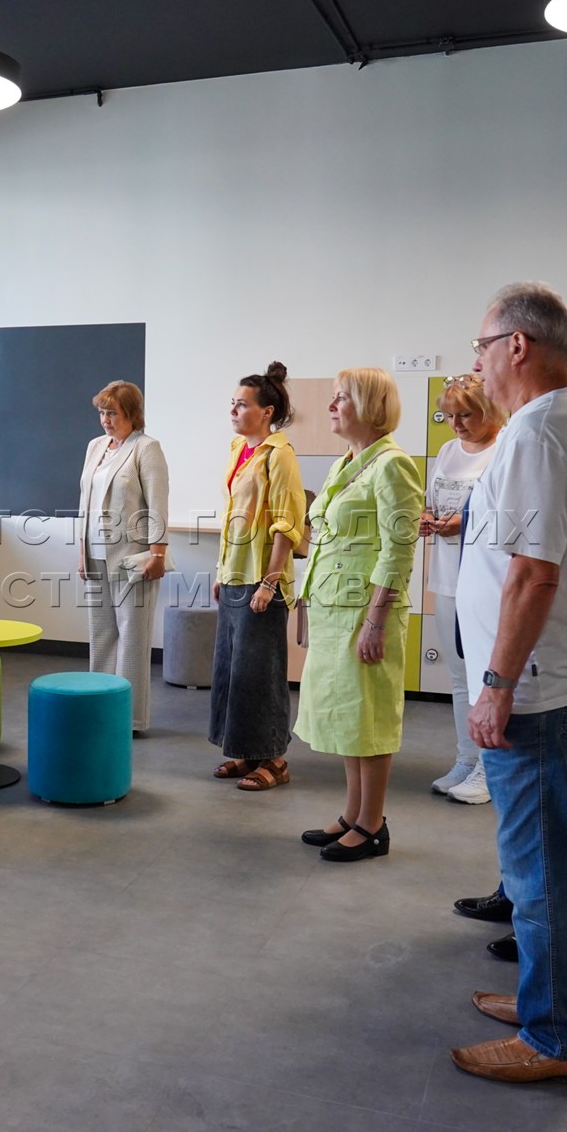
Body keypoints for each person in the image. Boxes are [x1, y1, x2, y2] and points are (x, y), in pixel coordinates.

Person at [449, 284, 567, 1085]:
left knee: (541, 877)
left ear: (516, 346)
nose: (478, 364)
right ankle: (559, 1003)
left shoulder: (539, 433)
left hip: (541, 692)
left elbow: (532, 575)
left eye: (481, 347)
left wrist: (496, 684)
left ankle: (557, 1038)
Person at [294, 368, 423, 860]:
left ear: (370, 406)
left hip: (366, 613)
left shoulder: (393, 465)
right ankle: (353, 814)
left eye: (341, 398)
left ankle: (372, 825)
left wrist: (376, 621)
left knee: (369, 716)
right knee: (349, 716)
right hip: (335, 609)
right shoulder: (347, 463)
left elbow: (398, 550)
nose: (331, 406)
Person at [209, 363, 307, 791]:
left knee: (262, 670)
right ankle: (248, 753)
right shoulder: (239, 449)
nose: (234, 410)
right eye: (232, 403)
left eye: (242, 404)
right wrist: (222, 571)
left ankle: (275, 759)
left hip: (263, 578)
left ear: (267, 412)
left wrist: (270, 581)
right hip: (235, 572)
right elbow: (233, 514)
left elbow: (288, 523)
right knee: (235, 669)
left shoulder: (279, 455)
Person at [420, 374, 507, 804]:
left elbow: (513, 515)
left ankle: (490, 770)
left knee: (485, 677)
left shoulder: (505, 448)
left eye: (465, 415)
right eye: (449, 416)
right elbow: (430, 499)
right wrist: (427, 517)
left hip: (487, 579)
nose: (455, 424)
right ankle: (465, 759)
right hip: (448, 575)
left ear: (490, 410)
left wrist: (465, 523)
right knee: (458, 676)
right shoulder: (449, 450)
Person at [78, 381, 170, 734]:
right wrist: (82, 553)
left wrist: (157, 554)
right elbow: (85, 502)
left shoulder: (146, 448)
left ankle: (129, 719)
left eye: (112, 413)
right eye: (102, 412)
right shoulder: (95, 447)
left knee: (132, 638)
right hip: (95, 555)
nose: (105, 419)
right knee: (101, 635)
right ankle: (99, 708)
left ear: (132, 414)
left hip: (134, 557)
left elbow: (157, 505)